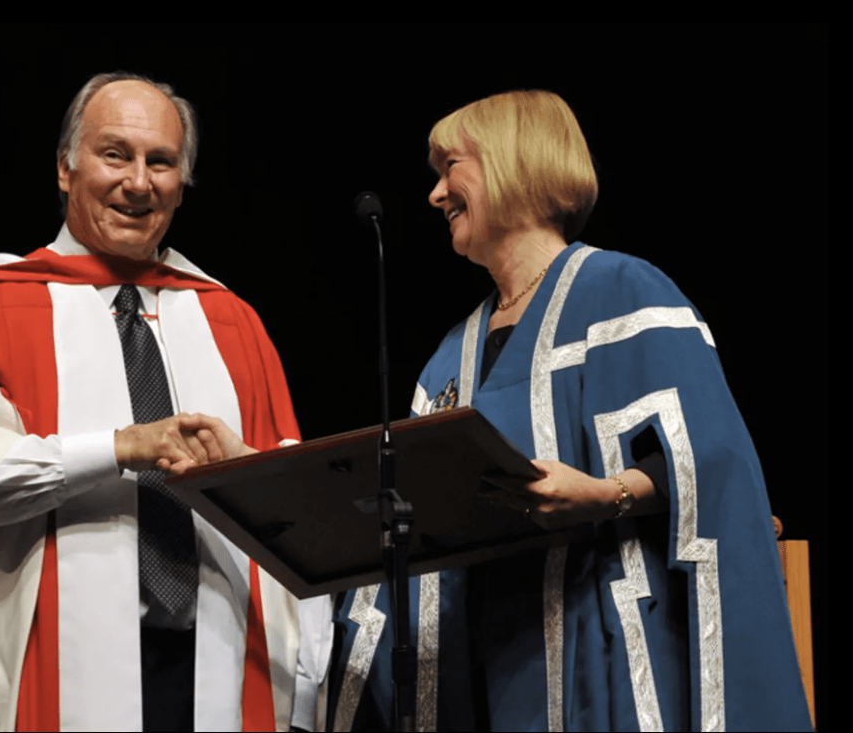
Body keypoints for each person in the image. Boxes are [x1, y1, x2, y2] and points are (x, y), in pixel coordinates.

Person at [329, 91, 813, 731]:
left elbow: (710, 462)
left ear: (510, 163)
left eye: (451, 167)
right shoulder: (451, 354)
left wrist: (605, 494)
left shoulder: (621, 292)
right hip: (478, 670)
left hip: (601, 655)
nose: (436, 194)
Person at [0, 71, 332, 732]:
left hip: (218, 664)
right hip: (48, 671)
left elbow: (298, 518)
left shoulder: (232, 322)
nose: (138, 182)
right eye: (115, 154)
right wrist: (124, 447)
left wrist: (244, 470)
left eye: (161, 162)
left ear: (182, 185)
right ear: (66, 170)